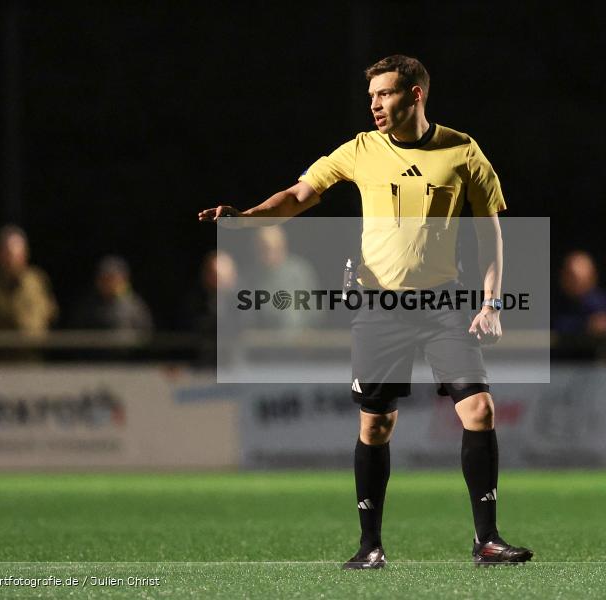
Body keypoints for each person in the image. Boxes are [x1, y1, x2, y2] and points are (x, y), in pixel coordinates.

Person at [199, 55, 532, 568]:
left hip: (443, 304)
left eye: (385, 94)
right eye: (372, 95)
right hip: (380, 307)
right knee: (376, 427)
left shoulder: (462, 150)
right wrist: (245, 218)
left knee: (479, 410)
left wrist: (492, 303)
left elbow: (491, 236)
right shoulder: (360, 149)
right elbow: (298, 195)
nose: (375, 104)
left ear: (415, 94)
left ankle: (486, 540)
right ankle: (370, 545)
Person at [0, 224, 58, 334]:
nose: (12, 261)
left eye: (18, 255)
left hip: (33, 343)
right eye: (8, 254)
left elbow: (51, 313)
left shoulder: (37, 281)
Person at [181, 250, 246, 366]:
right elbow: (190, 326)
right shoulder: (196, 300)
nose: (217, 281)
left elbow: (242, 326)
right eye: (213, 275)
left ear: (232, 276)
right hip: (202, 364)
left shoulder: (244, 301)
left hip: (236, 363)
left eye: (221, 276)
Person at [251, 225, 321, 332]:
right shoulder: (251, 278)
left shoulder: (301, 272)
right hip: (265, 339)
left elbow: (316, 313)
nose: (268, 254)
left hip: (301, 339)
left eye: (273, 248)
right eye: (262, 249)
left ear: (283, 246)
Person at [71, 255, 153, 332]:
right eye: (104, 279)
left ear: (123, 280)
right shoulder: (88, 306)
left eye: (112, 279)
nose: (108, 284)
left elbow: (145, 334)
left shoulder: (135, 307)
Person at [553, 251, 606, 335]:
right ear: (563, 276)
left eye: (584, 279)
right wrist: (585, 325)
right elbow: (557, 325)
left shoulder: (599, 300)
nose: (578, 284)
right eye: (574, 278)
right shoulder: (553, 301)